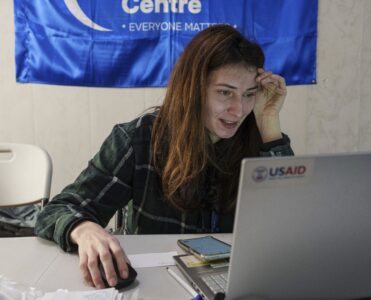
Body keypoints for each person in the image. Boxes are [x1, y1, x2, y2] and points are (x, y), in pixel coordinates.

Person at [35, 24, 294, 289]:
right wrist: (85, 229)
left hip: (239, 284)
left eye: (249, 94)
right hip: (157, 286)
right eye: (225, 92)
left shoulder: (258, 139)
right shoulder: (140, 138)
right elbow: (57, 211)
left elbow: (293, 223)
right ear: (194, 88)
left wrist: (269, 122)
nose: (238, 110)